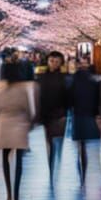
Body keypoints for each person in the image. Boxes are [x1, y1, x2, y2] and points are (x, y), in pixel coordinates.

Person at [0, 63, 35, 200]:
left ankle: (8, 191)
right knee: (19, 160)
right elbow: (28, 110)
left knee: (5, 158)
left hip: (3, 126)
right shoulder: (22, 91)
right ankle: (16, 192)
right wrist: (30, 124)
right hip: (19, 125)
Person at [37, 50, 71, 180]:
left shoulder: (64, 78)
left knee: (58, 141)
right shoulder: (42, 77)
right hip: (46, 114)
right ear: (47, 61)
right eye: (51, 61)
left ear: (61, 63)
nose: (54, 64)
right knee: (50, 141)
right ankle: (52, 165)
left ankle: (56, 164)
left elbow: (68, 96)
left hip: (60, 113)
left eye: (57, 62)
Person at [69, 56, 101, 181]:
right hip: (88, 114)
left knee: (81, 145)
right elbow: (97, 98)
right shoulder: (92, 80)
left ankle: (81, 170)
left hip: (78, 113)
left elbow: (70, 98)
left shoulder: (74, 80)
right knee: (84, 145)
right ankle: (83, 170)